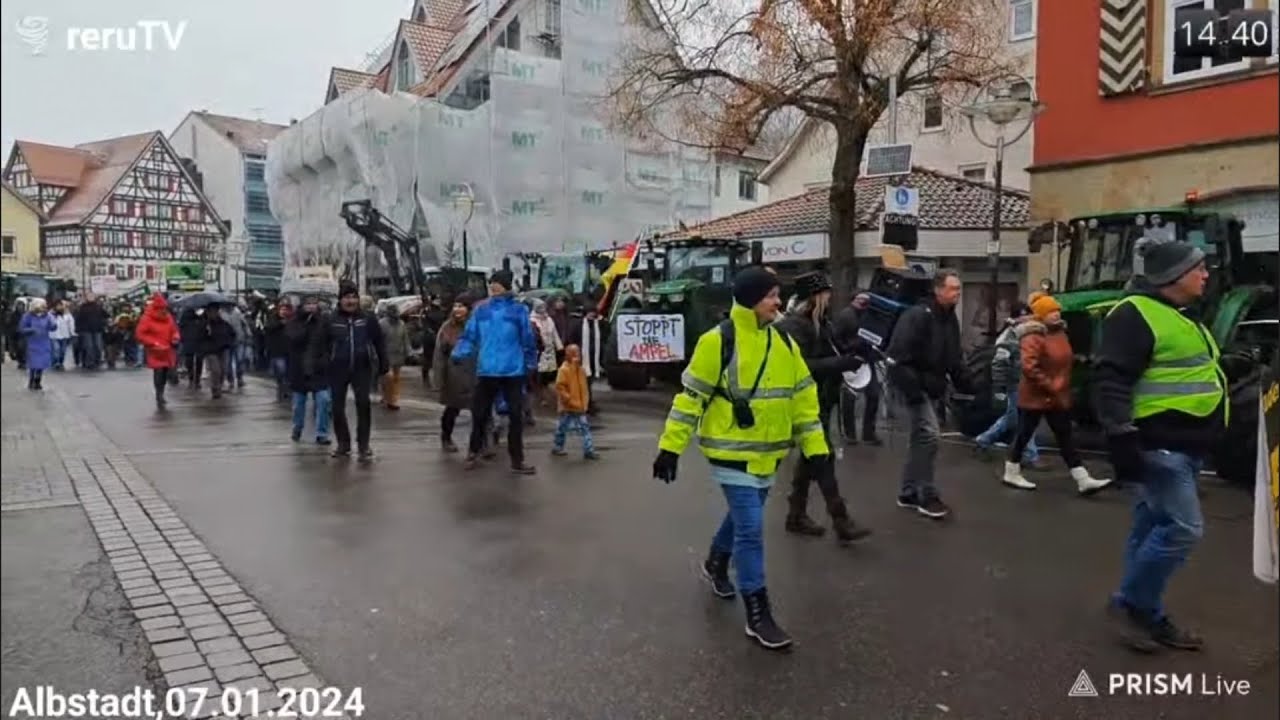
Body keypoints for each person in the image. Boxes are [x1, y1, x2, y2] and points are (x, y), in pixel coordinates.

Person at [652, 266, 830, 651]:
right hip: (729, 454)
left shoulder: (783, 344)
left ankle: (716, 562)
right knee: (751, 528)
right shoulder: (717, 342)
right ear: (751, 299)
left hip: (770, 455)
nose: (778, 302)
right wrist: (670, 448)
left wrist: (818, 452)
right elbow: (690, 398)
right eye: (771, 296)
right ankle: (758, 611)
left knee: (741, 519)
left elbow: (803, 399)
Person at [1095, 239, 1223, 652]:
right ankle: (1136, 604)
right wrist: (1120, 434)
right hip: (1160, 445)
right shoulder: (1135, 315)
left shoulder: (1180, 316)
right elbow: (1111, 379)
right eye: (1199, 268)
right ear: (1175, 276)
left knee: (1151, 525)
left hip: (1184, 444)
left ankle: (1140, 610)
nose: (1206, 275)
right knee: (1184, 528)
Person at [773, 271, 871, 544]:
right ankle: (841, 520)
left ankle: (796, 515)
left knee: (810, 460)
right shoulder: (794, 327)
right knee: (822, 457)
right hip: (802, 404)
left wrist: (857, 351)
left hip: (820, 400)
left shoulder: (820, 323)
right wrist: (841, 364)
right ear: (815, 297)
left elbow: (832, 350)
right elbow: (802, 367)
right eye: (826, 294)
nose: (830, 299)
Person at [1000, 295, 1112, 493]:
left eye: (1057, 310)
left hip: (1057, 394)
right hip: (1036, 395)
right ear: (1041, 315)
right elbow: (1029, 367)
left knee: (1065, 435)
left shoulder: (1060, 332)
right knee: (1024, 434)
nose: (1056, 314)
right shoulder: (1033, 334)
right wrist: (1050, 384)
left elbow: (1063, 358)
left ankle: (1082, 478)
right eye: (1051, 311)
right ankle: (1011, 471)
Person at [885, 269, 972, 520]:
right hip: (911, 386)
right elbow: (897, 357)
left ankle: (909, 492)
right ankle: (926, 494)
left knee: (920, 440)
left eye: (959, 289)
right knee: (929, 436)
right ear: (938, 289)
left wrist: (968, 386)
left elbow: (953, 358)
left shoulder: (948, 319)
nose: (957, 293)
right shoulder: (917, 316)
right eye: (953, 288)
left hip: (929, 387)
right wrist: (913, 392)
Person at [452, 270, 539, 474]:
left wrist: (529, 364)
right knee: (479, 415)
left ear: (506, 285)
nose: (493, 287)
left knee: (516, 417)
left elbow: (528, 340)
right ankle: (473, 453)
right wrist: (459, 352)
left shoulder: (518, 311)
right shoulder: (481, 310)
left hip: (512, 371)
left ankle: (517, 460)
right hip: (488, 370)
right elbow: (470, 336)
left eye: (497, 283)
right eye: (491, 284)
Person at [327, 283, 389, 461]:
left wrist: (384, 364)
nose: (351, 301)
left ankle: (363, 445)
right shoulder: (331, 319)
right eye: (347, 297)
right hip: (337, 368)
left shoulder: (368, 318)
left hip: (362, 367)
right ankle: (343, 444)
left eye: (354, 297)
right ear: (340, 300)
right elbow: (323, 345)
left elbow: (379, 342)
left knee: (363, 404)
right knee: (337, 408)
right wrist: (322, 363)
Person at [975, 301, 1042, 466]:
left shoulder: (1027, 334)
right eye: (1024, 315)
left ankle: (983, 440)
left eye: (1029, 315)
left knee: (1014, 418)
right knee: (1023, 418)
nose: (1028, 318)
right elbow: (999, 362)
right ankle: (1031, 456)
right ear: (1016, 318)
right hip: (1014, 384)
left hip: (1023, 382)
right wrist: (1000, 387)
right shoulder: (1009, 336)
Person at [832, 292, 882, 445]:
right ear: (853, 299)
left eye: (867, 299)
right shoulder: (846, 316)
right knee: (849, 398)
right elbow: (836, 337)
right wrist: (847, 351)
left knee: (874, 395)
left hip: (867, 360)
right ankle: (849, 434)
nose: (864, 302)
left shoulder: (870, 316)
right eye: (860, 299)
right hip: (850, 361)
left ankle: (869, 433)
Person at [286, 295, 332, 445]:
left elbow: (329, 341)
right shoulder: (295, 321)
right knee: (299, 404)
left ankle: (322, 433)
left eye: (314, 303)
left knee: (324, 400)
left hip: (318, 368)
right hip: (300, 369)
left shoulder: (323, 322)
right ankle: (297, 427)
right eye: (308, 304)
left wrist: (326, 359)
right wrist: (306, 323)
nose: (311, 306)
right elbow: (293, 338)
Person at [433, 296, 477, 453]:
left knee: (480, 410)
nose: (457, 309)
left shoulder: (475, 326)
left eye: (462, 306)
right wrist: (438, 380)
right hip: (453, 376)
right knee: (452, 409)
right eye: (456, 305)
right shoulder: (447, 328)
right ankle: (446, 437)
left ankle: (481, 443)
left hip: (475, 374)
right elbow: (439, 355)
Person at [134, 293, 182, 409]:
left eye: (165, 309)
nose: (164, 311)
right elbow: (140, 334)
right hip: (155, 351)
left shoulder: (168, 316)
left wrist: (175, 337)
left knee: (166, 372)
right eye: (162, 309)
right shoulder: (147, 318)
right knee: (159, 372)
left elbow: (174, 329)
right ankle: (159, 394)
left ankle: (162, 391)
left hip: (168, 350)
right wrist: (153, 343)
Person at [551, 344, 598, 460]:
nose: (578, 356)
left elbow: (584, 388)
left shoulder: (581, 370)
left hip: (579, 406)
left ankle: (588, 450)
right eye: (574, 353)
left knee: (584, 427)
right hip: (568, 406)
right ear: (568, 355)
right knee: (562, 427)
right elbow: (560, 387)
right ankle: (558, 446)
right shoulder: (564, 370)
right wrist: (568, 399)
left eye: (578, 353)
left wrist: (585, 402)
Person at [568, 308, 604, 414]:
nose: (592, 315)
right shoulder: (578, 324)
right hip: (582, 358)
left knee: (588, 382)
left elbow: (604, 335)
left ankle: (587, 402)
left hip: (593, 358)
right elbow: (572, 339)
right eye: (590, 313)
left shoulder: (598, 324)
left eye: (594, 313)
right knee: (583, 382)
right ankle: (584, 403)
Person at [530, 299, 563, 409]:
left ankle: (547, 395)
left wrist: (559, 347)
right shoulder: (532, 321)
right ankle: (541, 397)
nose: (543, 310)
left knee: (549, 374)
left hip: (550, 351)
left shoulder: (549, 320)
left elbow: (554, 334)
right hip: (539, 352)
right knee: (539, 375)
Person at [197, 305, 236, 399]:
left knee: (223, 370)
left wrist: (229, 342)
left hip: (222, 349)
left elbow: (232, 332)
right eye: (211, 312)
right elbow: (199, 336)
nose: (213, 314)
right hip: (210, 350)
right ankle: (216, 389)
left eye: (215, 311)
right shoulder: (204, 323)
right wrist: (205, 331)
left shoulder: (223, 323)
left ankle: (219, 385)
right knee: (215, 370)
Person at [379, 305, 411, 411]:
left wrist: (408, 352)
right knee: (388, 378)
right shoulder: (382, 324)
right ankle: (389, 398)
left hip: (398, 355)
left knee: (396, 378)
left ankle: (393, 399)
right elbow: (377, 341)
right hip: (386, 356)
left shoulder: (401, 324)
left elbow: (405, 339)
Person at [19, 299, 56, 390]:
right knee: (33, 363)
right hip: (32, 342)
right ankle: (31, 381)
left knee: (42, 363)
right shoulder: (28, 316)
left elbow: (52, 327)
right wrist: (31, 330)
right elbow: (21, 329)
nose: (42, 308)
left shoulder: (47, 316)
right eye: (40, 305)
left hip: (44, 342)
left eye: (43, 305)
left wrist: (53, 323)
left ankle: (38, 381)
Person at [264, 302, 293, 401]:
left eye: (286, 310)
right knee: (281, 370)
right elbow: (269, 328)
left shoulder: (292, 320)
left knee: (289, 372)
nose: (284, 312)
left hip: (289, 350)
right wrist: (280, 323)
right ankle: (282, 388)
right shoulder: (273, 319)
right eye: (282, 309)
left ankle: (287, 390)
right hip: (277, 350)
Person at [74, 292, 109, 370]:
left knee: (98, 346)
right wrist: (77, 329)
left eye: (92, 296)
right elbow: (78, 319)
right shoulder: (82, 307)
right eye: (89, 296)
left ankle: (97, 360)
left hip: (97, 329)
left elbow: (106, 315)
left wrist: (105, 322)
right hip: (86, 330)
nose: (91, 298)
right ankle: (89, 362)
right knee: (89, 347)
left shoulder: (98, 307)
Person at [50, 301, 76, 371]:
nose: (59, 307)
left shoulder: (67, 315)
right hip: (54, 335)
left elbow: (71, 324)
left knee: (63, 350)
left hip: (64, 335)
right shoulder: (51, 314)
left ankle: (61, 362)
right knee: (56, 349)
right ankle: (55, 363)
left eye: (60, 305)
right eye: (58, 306)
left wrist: (72, 333)